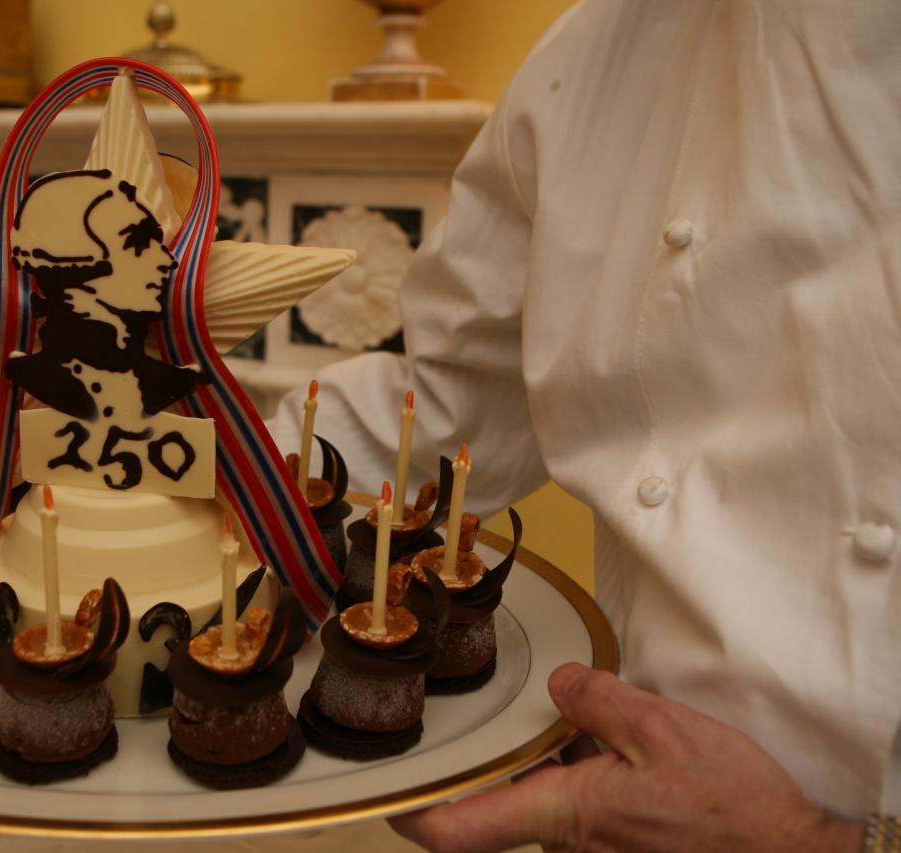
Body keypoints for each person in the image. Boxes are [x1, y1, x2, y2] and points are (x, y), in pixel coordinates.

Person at [264, 2, 900, 850]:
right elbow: (454, 405)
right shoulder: (597, 49)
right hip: (617, 811)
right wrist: (200, 468)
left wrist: (809, 839)